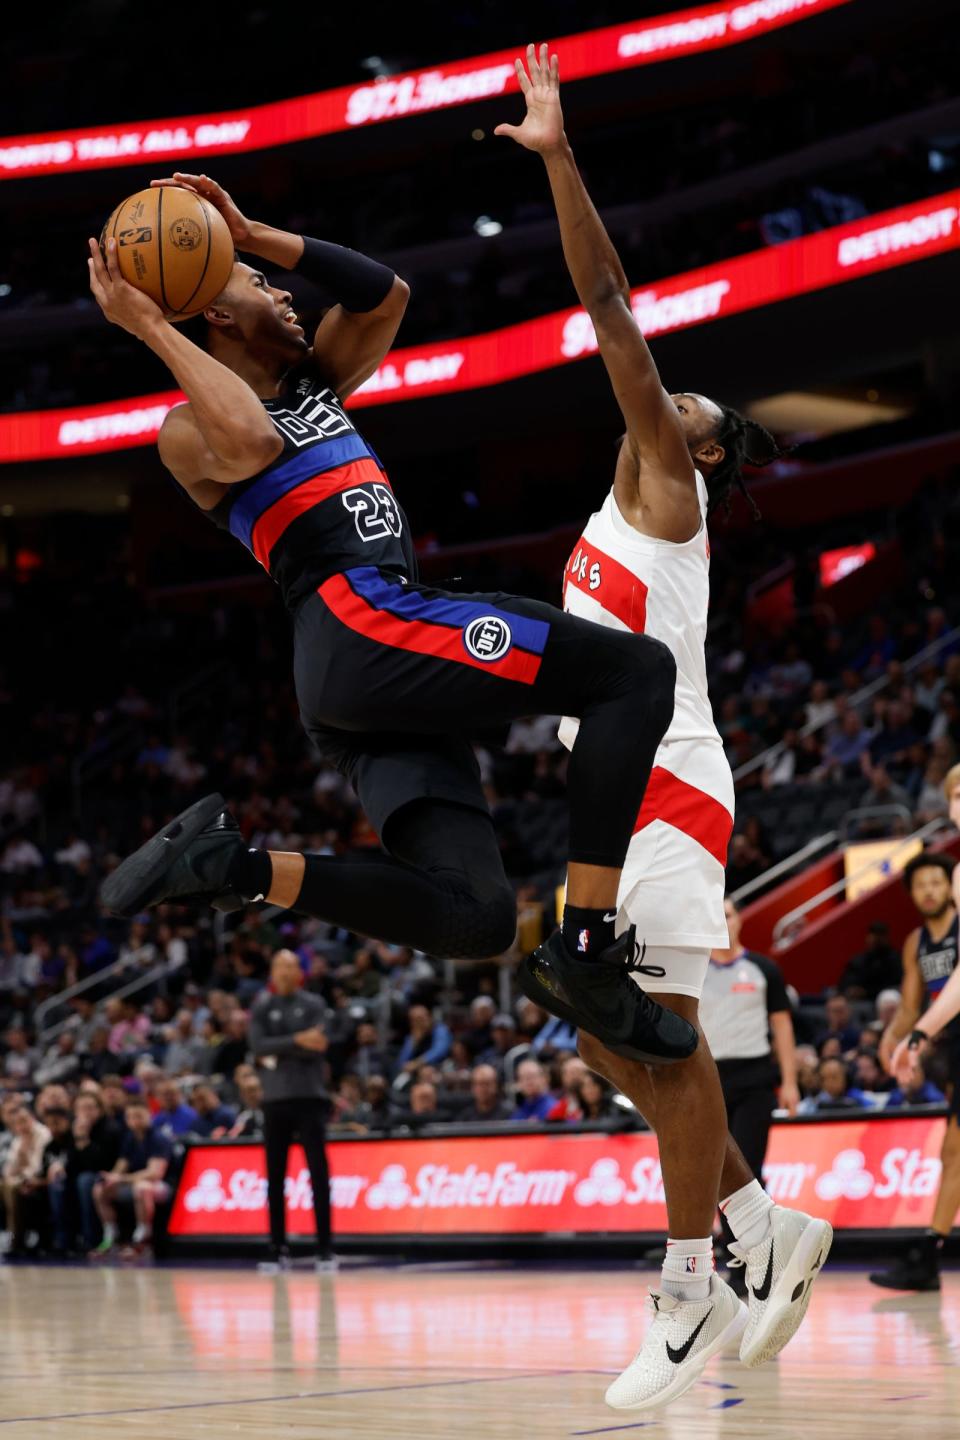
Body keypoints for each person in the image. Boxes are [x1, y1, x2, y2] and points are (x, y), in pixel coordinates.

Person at [88, 172, 690, 1072]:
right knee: (632, 675)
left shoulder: (316, 378)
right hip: (361, 621)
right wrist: (148, 323)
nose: (284, 290)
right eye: (256, 287)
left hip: (369, 672)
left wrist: (251, 236)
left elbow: (386, 292)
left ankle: (232, 870)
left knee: (473, 917)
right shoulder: (186, 428)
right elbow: (251, 444)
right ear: (211, 318)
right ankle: (589, 953)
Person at [495, 44, 829, 1413]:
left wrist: (560, 159)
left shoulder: (666, 491)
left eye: (682, 409)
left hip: (671, 787)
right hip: (609, 787)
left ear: (692, 449)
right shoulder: (615, 518)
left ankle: (690, 1289)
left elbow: (609, 311)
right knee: (594, 1021)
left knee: (664, 1033)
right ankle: (762, 1224)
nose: (662, 398)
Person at [872, 837, 960, 1290]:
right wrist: (892, 1038)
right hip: (951, 1046)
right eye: (920, 884)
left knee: (954, 1152)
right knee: (952, 1153)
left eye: (936, 881)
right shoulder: (916, 943)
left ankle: (928, 1255)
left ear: (951, 886)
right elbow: (910, 1006)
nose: (929, 890)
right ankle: (929, 1254)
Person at [702, 899, 799, 1282]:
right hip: (708, 1083)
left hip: (756, 1081)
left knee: (748, 1173)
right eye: (716, 914)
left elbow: (783, 1027)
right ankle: (737, 1261)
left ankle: (761, 1259)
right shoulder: (693, 972)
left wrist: (790, 1081)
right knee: (715, 1177)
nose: (723, 920)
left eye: (728, 913)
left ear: (740, 919)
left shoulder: (763, 969)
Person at [248, 949, 334, 1272]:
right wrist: (299, 1039)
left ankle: (325, 1247)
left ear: (300, 972)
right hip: (275, 1101)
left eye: (289, 966)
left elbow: (320, 1045)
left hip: (310, 1097)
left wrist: (279, 1048)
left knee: (318, 1174)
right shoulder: (262, 1007)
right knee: (274, 1176)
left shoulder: (313, 1004)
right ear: (271, 972)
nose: (284, 972)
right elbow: (257, 1047)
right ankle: (276, 1247)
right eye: (278, 966)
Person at [91, 1097, 173, 1259]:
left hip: (162, 1187)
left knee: (141, 1187)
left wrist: (121, 1179)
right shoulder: (130, 1138)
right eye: (130, 1117)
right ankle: (110, 1236)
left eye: (138, 1116)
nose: (134, 1121)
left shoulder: (158, 1138)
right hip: (134, 1183)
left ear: (149, 1115)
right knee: (101, 1189)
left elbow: (155, 1173)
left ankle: (142, 1239)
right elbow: (122, 1165)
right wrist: (111, 1177)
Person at [838, 921, 903, 999]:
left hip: (879, 1000)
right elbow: (845, 981)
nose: (875, 939)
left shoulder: (894, 959)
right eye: (873, 935)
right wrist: (850, 989)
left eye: (880, 935)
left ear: (886, 938)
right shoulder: (860, 960)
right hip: (854, 1000)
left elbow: (894, 984)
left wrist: (867, 992)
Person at [510, 1057, 554, 1122]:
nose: (529, 1082)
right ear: (518, 1083)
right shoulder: (519, 1111)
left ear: (544, 1079)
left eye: (532, 1076)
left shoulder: (553, 1108)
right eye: (523, 1078)